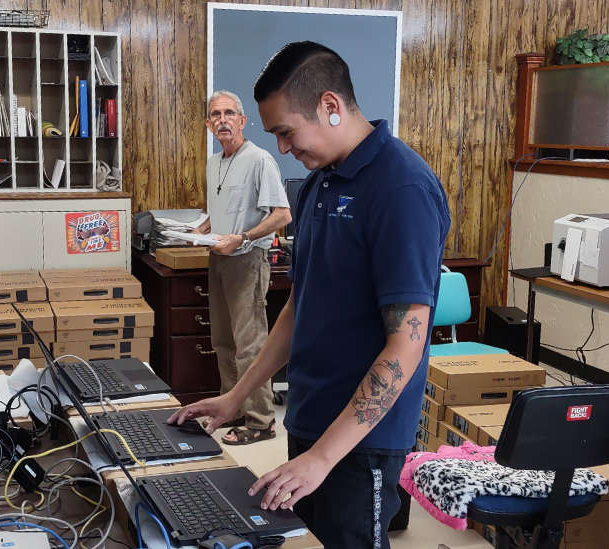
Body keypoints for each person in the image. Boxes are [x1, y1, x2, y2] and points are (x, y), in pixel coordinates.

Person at [170, 42, 450, 548]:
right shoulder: (321, 181)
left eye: (285, 132)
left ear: (330, 106)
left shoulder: (401, 189)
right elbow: (301, 306)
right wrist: (238, 396)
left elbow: (406, 344)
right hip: (309, 415)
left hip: (361, 441)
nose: (281, 148)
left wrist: (325, 457)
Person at [195, 90, 291, 445]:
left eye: (229, 114)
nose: (222, 120)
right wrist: (202, 227)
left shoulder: (260, 159)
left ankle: (261, 421)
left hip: (246, 260)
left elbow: (282, 215)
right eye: (215, 115)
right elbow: (222, 208)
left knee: (250, 345)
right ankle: (230, 409)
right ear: (208, 124)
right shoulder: (214, 161)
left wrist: (245, 237)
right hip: (218, 258)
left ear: (242, 120)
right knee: (223, 341)